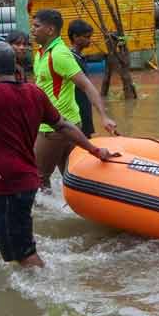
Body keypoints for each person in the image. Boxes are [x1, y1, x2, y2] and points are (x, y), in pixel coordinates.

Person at [0, 42, 116, 267]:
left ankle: (45, 286)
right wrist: (95, 150)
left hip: (7, 186)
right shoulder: (34, 93)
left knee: (25, 256)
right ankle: (18, 249)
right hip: (12, 183)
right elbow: (64, 125)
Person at [31, 10, 117, 192]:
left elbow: (87, 85)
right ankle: (71, 211)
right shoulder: (40, 53)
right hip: (68, 125)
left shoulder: (59, 55)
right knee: (71, 177)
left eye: (36, 26)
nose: (33, 30)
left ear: (50, 30)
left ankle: (43, 217)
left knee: (36, 177)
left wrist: (104, 116)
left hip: (53, 128)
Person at [68, 19, 96, 138]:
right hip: (77, 107)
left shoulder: (79, 57)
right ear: (75, 37)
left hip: (83, 105)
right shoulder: (71, 59)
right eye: (86, 37)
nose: (90, 40)